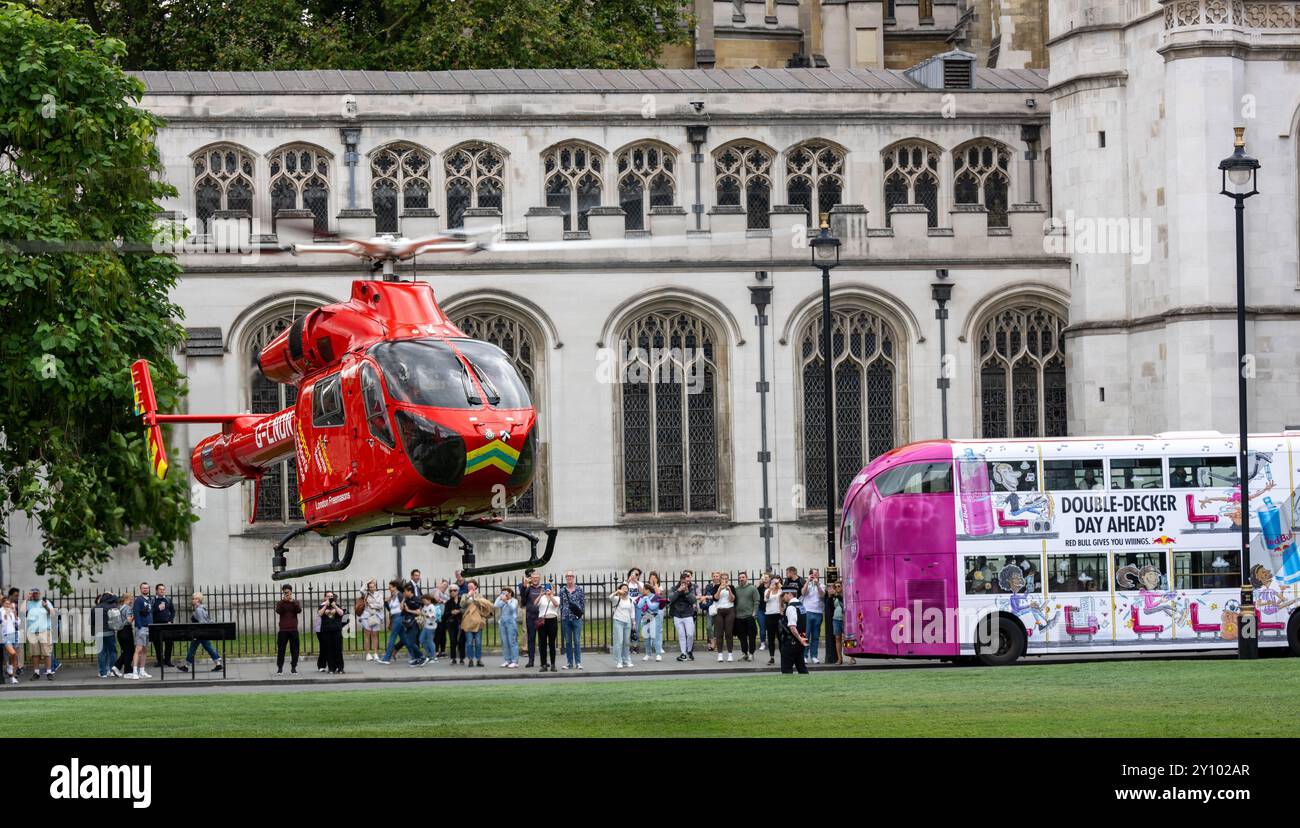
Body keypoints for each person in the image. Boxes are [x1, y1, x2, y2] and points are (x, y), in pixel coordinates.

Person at [177, 592, 223, 673]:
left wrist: (200, 631)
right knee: (203, 647)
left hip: (199, 633)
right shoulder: (202, 608)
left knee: (196, 648)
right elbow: (209, 620)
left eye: (194, 599)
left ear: (198, 600)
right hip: (201, 632)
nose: (192, 600)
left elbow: (202, 622)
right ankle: (218, 663)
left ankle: (187, 666)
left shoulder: (198, 610)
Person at [458, 580, 493, 668]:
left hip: (478, 621)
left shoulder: (480, 595)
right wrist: (468, 596)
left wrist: (475, 598)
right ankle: (470, 659)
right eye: (468, 586)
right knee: (469, 642)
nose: (470, 588)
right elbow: (462, 605)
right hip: (469, 622)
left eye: (472, 586)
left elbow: (484, 606)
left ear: (476, 587)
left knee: (478, 642)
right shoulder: (464, 595)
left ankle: (478, 659)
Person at [667, 571, 698, 662]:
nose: (686, 583)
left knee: (690, 634)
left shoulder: (691, 588)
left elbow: (693, 601)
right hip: (677, 614)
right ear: (681, 581)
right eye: (684, 582)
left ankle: (689, 651)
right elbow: (670, 599)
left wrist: (687, 592)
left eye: (688, 582)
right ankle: (683, 653)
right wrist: (678, 591)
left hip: (688, 614)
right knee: (681, 635)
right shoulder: (674, 588)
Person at [779, 587, 809, 675]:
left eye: (784, 595)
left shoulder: (791, 607)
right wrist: (803, 640)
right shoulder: (801, 605)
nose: (783, 597)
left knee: (786, 669)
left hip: (792, 641)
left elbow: (792, 627)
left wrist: (800, 640)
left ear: (789, 594)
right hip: (801, 639)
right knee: (801, 667)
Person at [558, 571, 585, 670]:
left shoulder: (579, 589)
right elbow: (560, 603)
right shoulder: (562, 590)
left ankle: (578, 662)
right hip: (566, 618)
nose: (569, 578)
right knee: (568, 641)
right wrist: (563, 613)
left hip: (576, 619)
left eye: (571, 576)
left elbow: (582, 602)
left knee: (577, 641)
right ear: (566, 578)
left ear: (573, 577)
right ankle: (569, 663)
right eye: (567, 576)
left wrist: (580, 614)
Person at [733, 571, 760, 662]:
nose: (741, 579)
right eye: (740, 577)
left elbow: (756, 601)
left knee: (752, 636)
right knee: (742, 637)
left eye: (743, 577)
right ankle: (744, 653)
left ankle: (751, 653)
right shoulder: (736, 589)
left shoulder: (752, 588)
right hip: (739, 617)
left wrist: (754, 613)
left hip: (749, 616)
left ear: (746, 578)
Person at [317, 590, 346, 674]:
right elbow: (319, 614)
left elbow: (341, 614)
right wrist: (325, 605)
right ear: (325, 597)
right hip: (326, 631)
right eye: (328, 596)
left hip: (336, 630)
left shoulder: (337, 605)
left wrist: (335, 607)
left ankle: (340, 667)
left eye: (331, 596)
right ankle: (331, 668)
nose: (330, 598)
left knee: (338, 649)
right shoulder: (322, 606)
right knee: (328, 650)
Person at [274, 585, 302, 674]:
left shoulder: (296, 602)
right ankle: (280, 668)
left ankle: (294, 667)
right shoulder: (280, 603)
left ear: (291, 592)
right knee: (281, 650)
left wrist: (292, 601)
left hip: (293, 629)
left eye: (288, 592)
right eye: (285, 592)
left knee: (295, 650)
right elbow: (278, 611)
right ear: (283, 592)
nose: (287, 594)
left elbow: (299, 610)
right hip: (283, 629)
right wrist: (283, 601)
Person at [377, 580, 406, 665]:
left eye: (390, 587)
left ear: (395, 587)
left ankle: (386, 658)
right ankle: (418, 656)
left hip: (399, 617)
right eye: (389, 587)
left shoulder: (400, 595)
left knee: (392, 638)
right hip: (395, 618)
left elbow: (403, 606)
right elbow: (390, 610)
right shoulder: (393, 596)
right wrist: (386, 602)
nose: (389, 589)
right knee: (405, 639)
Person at [399, 584, 427, 666]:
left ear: (409, 591)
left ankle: (422, 657)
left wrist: (409, 610)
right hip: (407, 622)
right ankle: (417, 658)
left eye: (405, 591)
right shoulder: (407, 599)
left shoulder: (416, 599)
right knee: (409, 641)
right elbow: (401, 608)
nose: (404, 593)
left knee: (411, 642)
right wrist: (403, 599)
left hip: (414, 622)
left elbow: (418, 612)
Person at [802, 568, 826, 664]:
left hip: (818, 612)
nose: (814, 575)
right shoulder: (807, 584)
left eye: (816, 573)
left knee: (815, 636)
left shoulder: (822, 585)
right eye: (813, 573)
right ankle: (804, 656)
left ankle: (814, 656)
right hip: (807, 611)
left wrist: (817, 585)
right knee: (805, 635)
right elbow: (803, 592)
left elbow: (822, 595)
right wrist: (808, 581)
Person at [520, 569, 543, 667]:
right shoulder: (528, 589)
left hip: (541, 617)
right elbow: (523, 600)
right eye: (533, 578)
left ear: (539, 578)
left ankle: (544, 661)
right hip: (530, 617)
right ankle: (531, 661)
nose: (535, 579)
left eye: (537, 577)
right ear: (531, 579)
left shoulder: (543, 589)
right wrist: (524, 587)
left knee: (542, 640)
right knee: (531, 639)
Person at [636, 580, 665, 662]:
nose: (642, 590)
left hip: (654, 617)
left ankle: (658, 654)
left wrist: (647, 600)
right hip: (645, 617)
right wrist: (643, 599)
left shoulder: (656, 597)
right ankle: (648, 654)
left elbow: (652, 607)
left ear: (647, 590)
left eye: (644, 589)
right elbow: (639, 606)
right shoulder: (642, 596)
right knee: (646, 637)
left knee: (655, 637)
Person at [130, 582, 153, 680]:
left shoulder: (150, 600)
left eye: (147, 588)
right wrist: (139, 626)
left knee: (145, 650)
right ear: (140, 589)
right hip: (141, 627)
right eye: (144, 588)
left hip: (149, 627)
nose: (145, 590)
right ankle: (135, 671)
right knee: (138, 649)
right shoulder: (138, 600)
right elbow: (136, 613)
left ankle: (142, 671)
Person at [610, 582, 636, 668]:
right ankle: (619, 661)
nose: (625, 590)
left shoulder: (630, 600)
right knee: (619, 641)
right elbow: (610, 597)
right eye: (623, 588)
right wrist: (617, 592)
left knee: (626, 642)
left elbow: (632, 612)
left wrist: (634, 623)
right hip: (618, 621)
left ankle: (627, 659)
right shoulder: (617, 599)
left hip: (627, 622)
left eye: (626, 588)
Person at [711, 573, 737, 661]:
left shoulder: (731, 587)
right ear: (720, 579)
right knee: (719, 633)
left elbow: (732, 599)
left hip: (730, 610)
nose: (724, 580)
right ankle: (720, 654)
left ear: (728, 580)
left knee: (729, 633)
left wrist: (729, 590)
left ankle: (730, 654)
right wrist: (719, 589)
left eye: (726, 579)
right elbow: (715, 598)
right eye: (723, 578)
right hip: (719, 611)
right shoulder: (716, 587)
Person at [535, 583, 560, 672]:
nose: (548, 590)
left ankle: (553, 664)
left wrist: (551, 596)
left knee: (552, 643)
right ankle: (543, 664)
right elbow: (535, 603)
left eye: (551, 589)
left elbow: (556, 605)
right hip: (543, 621)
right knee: (542, 644)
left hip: (552, 620)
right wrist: (540, 594)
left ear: (553, 589)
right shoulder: (542, 598)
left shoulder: (556, 597)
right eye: (547, 589)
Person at [94, 592, 119, 679]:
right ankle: (112, 670)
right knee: (112, 651)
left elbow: (91, 622)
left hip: (99, 632)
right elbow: (117, 599)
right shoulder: (112, 607)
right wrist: (112, 594)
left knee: (101, 652)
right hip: (110, 631)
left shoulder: (96, 608)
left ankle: (103, 672)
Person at [151, 583, 176, 668]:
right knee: (157, 643)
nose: (162, 591)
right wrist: (158, 608)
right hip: (156, 624)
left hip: (167, 624)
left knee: (169, 642)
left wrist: (170, 620)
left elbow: (173, 611)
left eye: (163, 589)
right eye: (160, 589)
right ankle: (160, 661)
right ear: (156, 591)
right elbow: (150, 611)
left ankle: (168, 661)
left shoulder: (168, 600)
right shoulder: (153, 600)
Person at [359, 579, 385, 661]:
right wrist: (368, 581)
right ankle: (367, 654)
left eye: (373, 587)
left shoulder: (379, 594)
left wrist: (371, 605)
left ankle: (375, 653)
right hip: (366, 616)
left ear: (375, 587)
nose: (371, 588)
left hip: (376, 615)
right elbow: (361, 590)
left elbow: (381, 605)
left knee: (375, 634)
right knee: (367, 634)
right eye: (370, 587)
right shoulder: (366, 594)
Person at [494, 587, 519, 668]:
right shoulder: (502, 601)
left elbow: (513, 608)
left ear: (510, 593)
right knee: (505, 642)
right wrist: (499, 596)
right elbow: (495, 605)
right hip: (503, 622)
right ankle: (507, 660)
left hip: (511, 622)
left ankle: (514, 661)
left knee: (512, 642)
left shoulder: (514, 600)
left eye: (506, 593)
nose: (504, 594)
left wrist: (506, 601)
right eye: (503, 592)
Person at [112, 592, 134, 677]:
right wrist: (135, 616)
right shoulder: (127, 608)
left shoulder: (119, 607)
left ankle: (117, 667)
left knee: (125, 651)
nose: (132, 600)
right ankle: (127, 671)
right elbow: (129, 620)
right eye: (131, 598)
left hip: (120, 632)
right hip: (126, 631)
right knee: (130, 650)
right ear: (126, 599)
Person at [763, 576, 784, 664]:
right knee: (771, 638)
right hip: (769, 615)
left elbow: (783, 601)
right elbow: (766, 599)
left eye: (776, 582)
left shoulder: (781, 591)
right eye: (773, 582)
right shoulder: (767, 591)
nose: (775, 583)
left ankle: (784, 657)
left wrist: (780, 586)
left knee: (781, 637)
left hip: (778, 615)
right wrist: (770, 590)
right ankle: (772, 657)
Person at [2, 594, 21, 683]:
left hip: (13, 635)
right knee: (12, 653)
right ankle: (9, 666)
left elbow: (16, 623)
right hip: (5, 635)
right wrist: (6, 615)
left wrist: (15, 615)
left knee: (14, 656)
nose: (8, 605)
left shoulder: (11, 612)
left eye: (9, 604)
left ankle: (12, 677)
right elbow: (2, 623)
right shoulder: (1, 611)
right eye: (6, 604)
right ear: (3, 604)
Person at [625, 567, 644, 653]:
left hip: (637, 605)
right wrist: (629, 580)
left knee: (636, 626)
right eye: (633, 573)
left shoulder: (640, 583)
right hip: (628, 605)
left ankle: (635, 645)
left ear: (639, 576)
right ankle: (628, 645)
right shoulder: (626, 583)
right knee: (628, 625)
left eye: (636, 574)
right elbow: (623, 589)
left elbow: (643, 592)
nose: (634, 575)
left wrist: (636, 582)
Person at [444, 584, 464, 663]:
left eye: (454, 590)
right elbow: (445, 614)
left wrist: (459, 611)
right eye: (451, 590)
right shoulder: (448, 602)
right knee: (453, 640)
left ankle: (462, 658)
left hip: (461, 623)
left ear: (458, 591)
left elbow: (466, 610)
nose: (453, 592)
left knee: (461, 641)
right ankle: (453, 658)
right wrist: (451, 612)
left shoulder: (462, 600)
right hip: (451, 623)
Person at [432, 579, 452, 657]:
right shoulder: (435, 591)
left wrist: (443, 601)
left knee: (443, 634)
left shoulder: (446, 594)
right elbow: (436, 598)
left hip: (445, 616)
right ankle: (436, 650)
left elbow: (449, 601)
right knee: (437, 633)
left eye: (446, 586)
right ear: (440, 584)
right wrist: (438, 589)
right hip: (437, 616)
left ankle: (443, 650)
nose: (445, 587)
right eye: (443, 585)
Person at [419, 593, 441, 665]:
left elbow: (433, 616)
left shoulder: (431, 606)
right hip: (426, 625)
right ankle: (430, 653)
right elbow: (422, 613)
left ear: (429, 600)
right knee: (421, 639)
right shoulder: (425, 606)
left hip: (431, 626)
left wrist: (425, 615)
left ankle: (434, 657)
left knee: (430, 641)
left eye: (425, 601)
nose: (424, 602)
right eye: (423, 601)